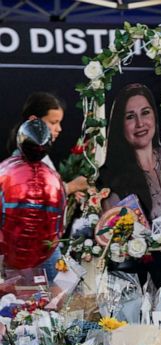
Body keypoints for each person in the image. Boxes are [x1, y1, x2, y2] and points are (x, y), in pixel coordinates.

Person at [100, 83, 161, 287]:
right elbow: (116, 242)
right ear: (120, 125)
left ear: (155, 116)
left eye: (145, 113)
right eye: (130, 116)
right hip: (137, 282)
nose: (140, 123)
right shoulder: (112, 179)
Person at [4, 93, 90, 280]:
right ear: (34, 121)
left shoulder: (36, 161)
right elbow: (31, 201)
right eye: (53, 122)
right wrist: (71, 187)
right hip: (39, 248)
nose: (58, 129)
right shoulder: (23, 163)